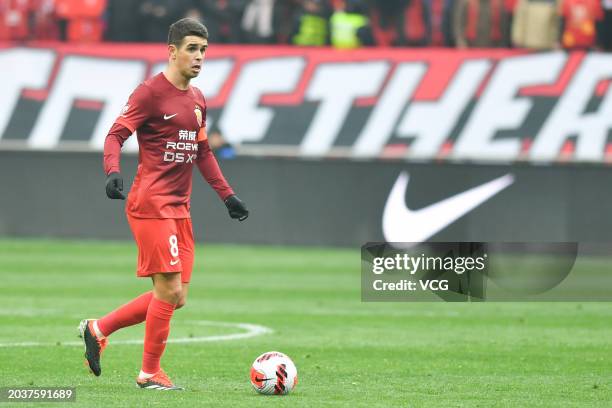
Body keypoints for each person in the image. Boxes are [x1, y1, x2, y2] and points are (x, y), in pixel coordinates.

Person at [78, 17, 249, 391]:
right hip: (150, 203)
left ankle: (98, 328)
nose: (199, 56)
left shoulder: (198, 99)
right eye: (191, 48)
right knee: (169, 291)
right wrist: (111, 171)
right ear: (172, 51)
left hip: (180, 209)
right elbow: (115, 135)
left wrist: (227, 195)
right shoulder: (150, 93)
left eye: (203, 50)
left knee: (176, 296)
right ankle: (149, 373)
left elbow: (203, 152)